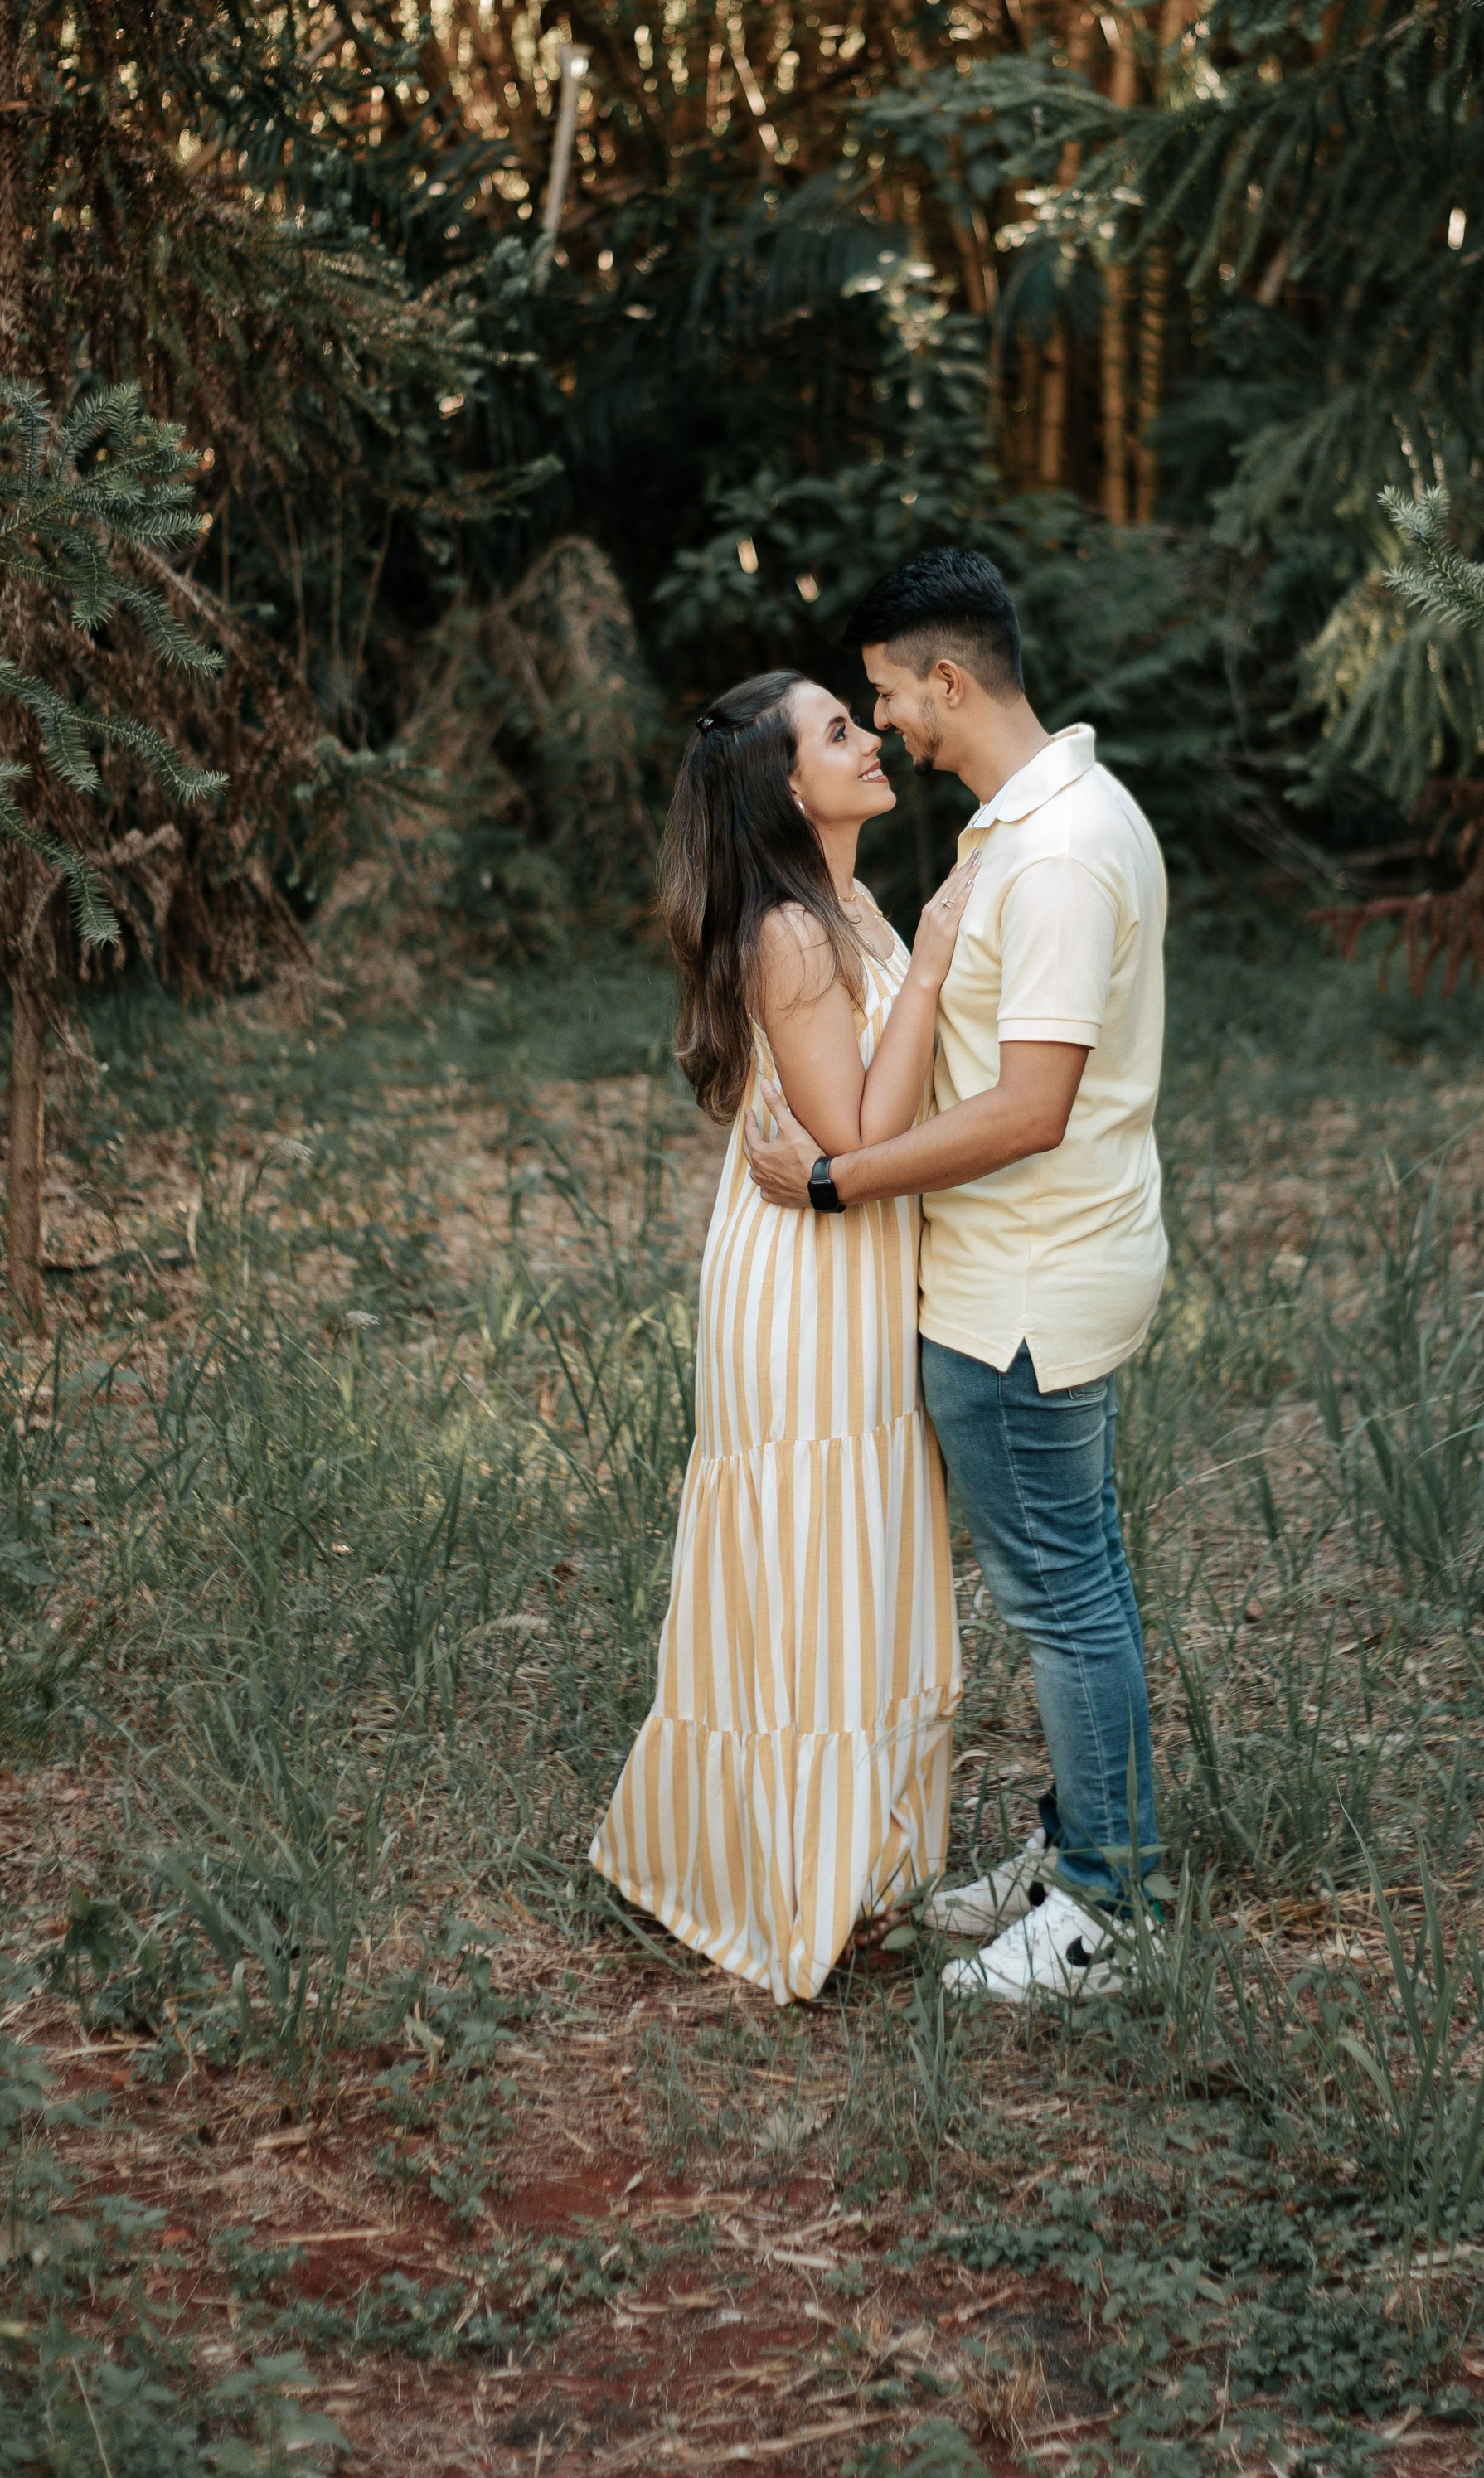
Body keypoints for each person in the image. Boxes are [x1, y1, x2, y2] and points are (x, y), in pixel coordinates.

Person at [744, 549, 1167, 2005]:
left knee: (1062, 1600)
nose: (888, 729)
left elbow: (1029, 1106)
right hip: (1041, 1266)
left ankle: (1109, 1910)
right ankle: (1080, 1847)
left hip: (1024, 1290)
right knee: (1080, 1574)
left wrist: (833, 1177)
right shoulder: (1047, 817)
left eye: (884, 696)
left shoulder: (1050, 854)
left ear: (948, 678)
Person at [590, 668, 979, 2002]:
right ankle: (800, 1880)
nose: (870, 742)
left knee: (853, 1554)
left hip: (850, 1255)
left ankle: (852, 1868)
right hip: (808, 1282)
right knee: (821, 1559)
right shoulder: (795, 937)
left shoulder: (838, 903)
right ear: (784, 785)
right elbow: (863, 1131)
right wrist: (933, 956)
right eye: (837, 733)